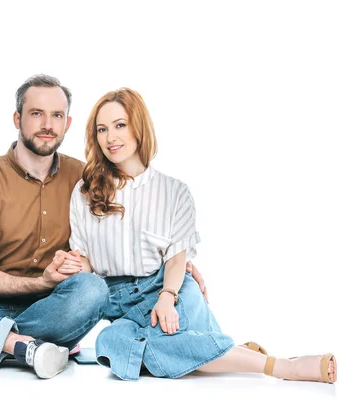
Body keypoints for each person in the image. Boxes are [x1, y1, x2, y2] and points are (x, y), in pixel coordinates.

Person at [0, 73, 205, 379]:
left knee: (92, 290)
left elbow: (130, 232)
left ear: (67, 123)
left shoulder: (86, 180)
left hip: (57, 311)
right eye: (37, 113)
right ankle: (17, 346)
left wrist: (173, 264)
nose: (47, 125)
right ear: (17, 119)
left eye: (56, 115)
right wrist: (41, 281)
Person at [68, 87, 337, 383]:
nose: (110, 138)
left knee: (152, 343)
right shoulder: (85, 193)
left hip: (166, 286)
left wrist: (167, 297)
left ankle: (280, 366)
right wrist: (66, 265)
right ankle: (232, 354)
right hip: (120, 304)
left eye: (120, 125)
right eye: (102, 129)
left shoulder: (174, 192)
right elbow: (86, 264)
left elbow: (175, 260)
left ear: (138, 127)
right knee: (108, 344)